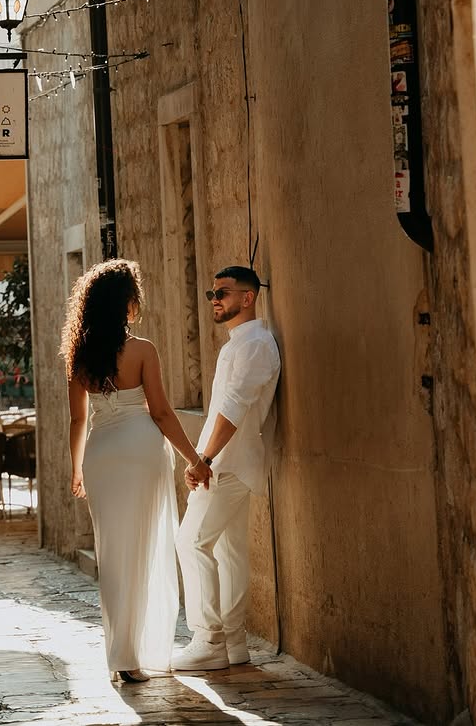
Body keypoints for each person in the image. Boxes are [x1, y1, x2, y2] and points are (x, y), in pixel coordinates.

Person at [62, 258, 205, 683]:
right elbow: (160, 412)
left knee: (112, 553)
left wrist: (76, 470)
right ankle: (137, 654)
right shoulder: (143, 350)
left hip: (101, 455)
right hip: (142, 451)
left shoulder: (78, 356)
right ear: (127, 302)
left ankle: (120, 654)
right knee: (143, 549)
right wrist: (193, 459)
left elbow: (76, 420)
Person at [172, 266, 280, 671]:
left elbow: (233, 410)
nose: (214, 299)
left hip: (228, 464)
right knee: (229, 550)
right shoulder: (237, 345)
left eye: (223, 293)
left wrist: (205, 459)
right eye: (211, 293)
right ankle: (234, 643)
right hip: (226, 462)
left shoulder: (255, 346)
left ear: (247, 298)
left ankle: (208, 638)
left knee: (191, 541)